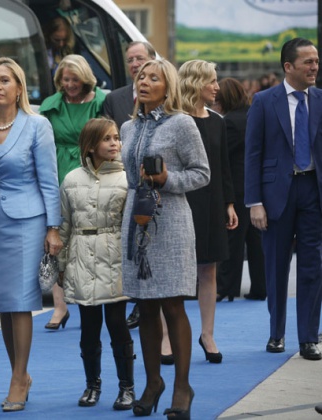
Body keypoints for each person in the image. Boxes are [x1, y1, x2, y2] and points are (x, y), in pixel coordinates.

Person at [0, 57, 62, 412]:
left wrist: (53, 228)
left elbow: (49, 181)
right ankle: (18, 372)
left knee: (21, 301)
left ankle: (19, 378)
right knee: (4, 305)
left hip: (27, 221)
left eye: (4, 80)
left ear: (19, 87)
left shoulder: (37, 126)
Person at [121, 59, 209, 418]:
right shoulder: (127, 127)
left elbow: (201, 173)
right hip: (136, 221)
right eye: (141, 76)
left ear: (167, 87)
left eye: (153, 78)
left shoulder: (182, 124)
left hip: (170, 221)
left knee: (173, 304)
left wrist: (167, 180)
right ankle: (153, 380)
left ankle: (182, 387)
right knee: (144, 307)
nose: (144, 82)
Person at [245, 37, 322, 361]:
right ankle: (277, 333)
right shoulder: (264, 101)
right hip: (276, 195)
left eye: (316, 61)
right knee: (275, 266)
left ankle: (308, 338)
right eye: (308, 62)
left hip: (312, 192)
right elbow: (253, 153)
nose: (315, 67)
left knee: (313, 267)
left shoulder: (320, 99)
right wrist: (254, 202)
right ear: (288, 66)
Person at [57, 117, 134, 410]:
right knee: (88, 326)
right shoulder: (72, 179)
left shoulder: (127, 179)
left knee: (117, 322)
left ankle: (127, 387)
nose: (115, 143)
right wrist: (62, 264)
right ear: (90, 146)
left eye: (116, 138)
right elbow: (65, 225)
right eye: (107, 139)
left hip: (114, 255)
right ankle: (92, 385)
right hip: (81, 255)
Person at [39, 54, 106, 330]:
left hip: (92, 173)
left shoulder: (101, 102)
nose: (69, 84)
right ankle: (59, 306)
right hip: (57, 174)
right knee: (57, 241)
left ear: (85, 77)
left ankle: (93, 298)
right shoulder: (50, 106)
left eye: (75, 79)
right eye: (65, 79)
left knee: (91, 240)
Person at [178, 59, 238, 365]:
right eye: (211, 81)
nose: (217, 86)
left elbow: (223, 166)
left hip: (213, 201)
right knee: (175, 271)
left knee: (208, 268)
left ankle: (208, 334)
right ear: (195, 83)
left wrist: (229, 203)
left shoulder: (218, 121)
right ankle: (165, 335)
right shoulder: (175, 120)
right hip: (182, 200)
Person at [102, 40, 157, 330]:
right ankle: (132, 298)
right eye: (130, 60)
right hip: (123, 179)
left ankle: (144, 303)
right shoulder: (115, 98)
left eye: (140, 58)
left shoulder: (164, 95)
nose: (135, 65)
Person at [215, 78, 266, 301]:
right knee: (257, 243)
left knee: (233, 241)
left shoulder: (229, 122)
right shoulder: (253, 115)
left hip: (237, 189)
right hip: (258, 188)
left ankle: (227, 288)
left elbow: (222, 157)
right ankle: (260, 288)